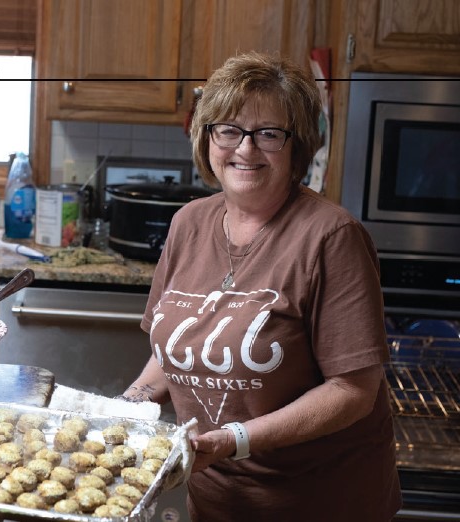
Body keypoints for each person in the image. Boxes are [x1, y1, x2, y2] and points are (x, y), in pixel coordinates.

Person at [117, 51, 401, 521]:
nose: (245, 149)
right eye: (228, 129)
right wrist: (123, 410)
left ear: (297, 147)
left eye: (268, 134)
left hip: (317, 503)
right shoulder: (189, 223)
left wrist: (234, 440)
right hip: (217, 500)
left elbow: (354, 390)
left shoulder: (331, 237)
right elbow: (179, 352)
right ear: (207, 138)